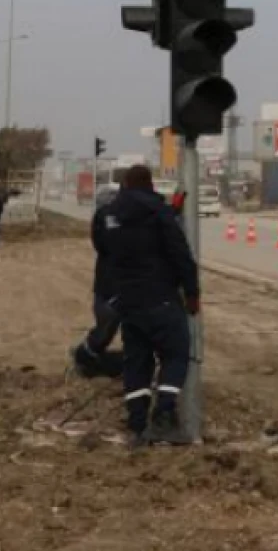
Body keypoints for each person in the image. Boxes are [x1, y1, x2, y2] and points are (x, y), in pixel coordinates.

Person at [91, 164, 200, 447]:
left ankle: (138, 425)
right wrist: (191, 292)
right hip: (161, 296)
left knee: (137, 362)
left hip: (128, 302)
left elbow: (105, 248)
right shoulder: (158, 212)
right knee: (176, 353)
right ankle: (164, 415)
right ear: (150, 184)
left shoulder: (109, 215)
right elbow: (180, 253)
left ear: (125, 185)